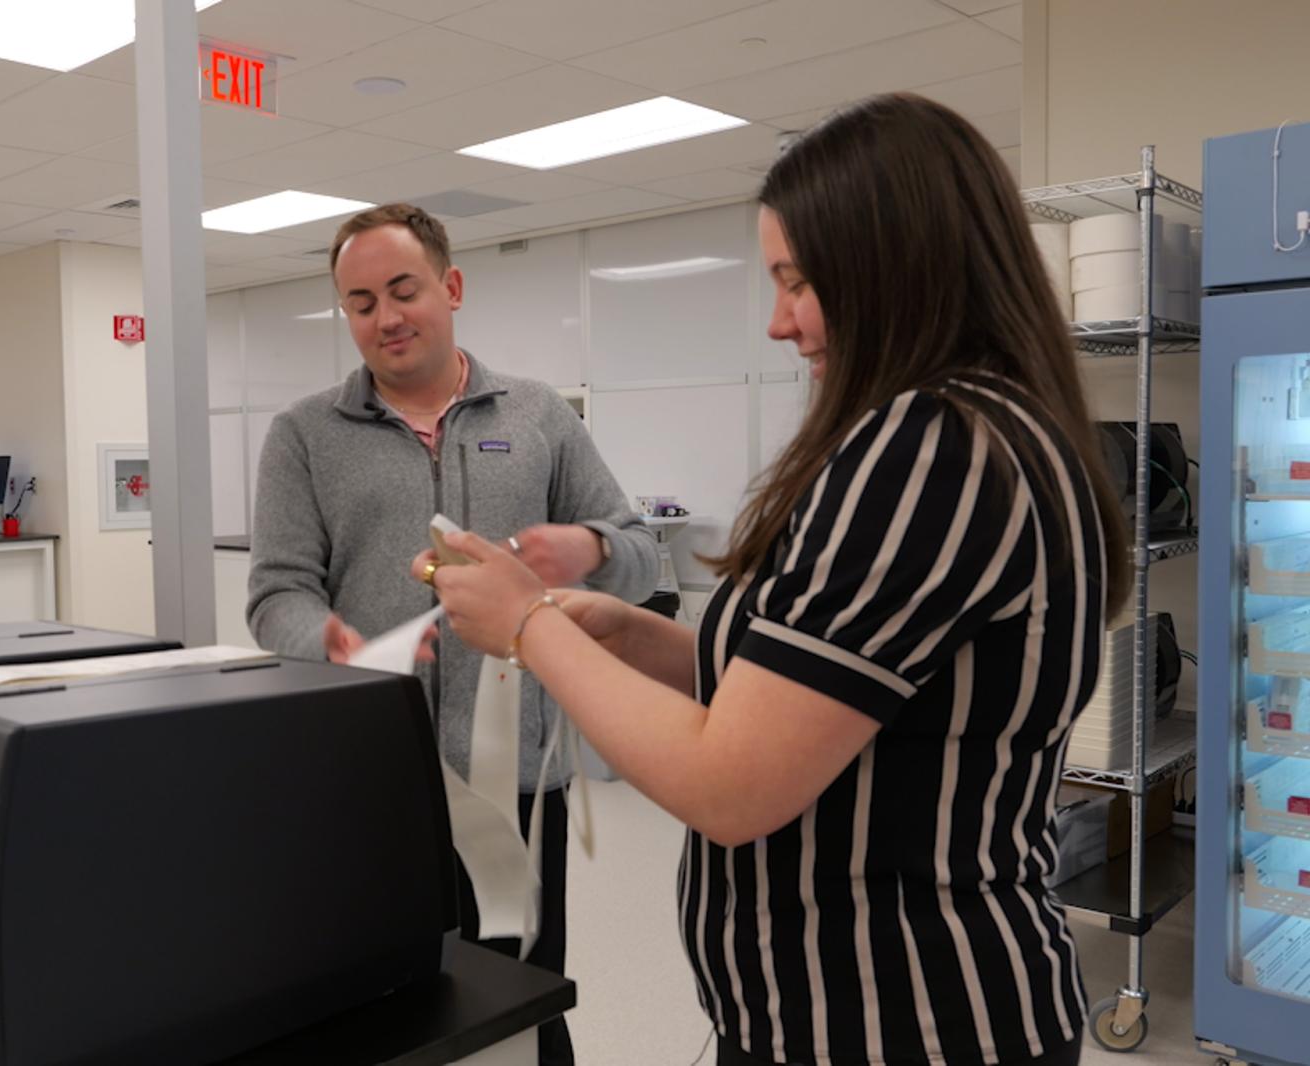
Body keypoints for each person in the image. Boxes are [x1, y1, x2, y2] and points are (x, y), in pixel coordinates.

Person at [415, 93, 1130, 1066]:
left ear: (892, 268)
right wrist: (634, 639)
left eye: (798, 281)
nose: (778, 323)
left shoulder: (929, 450)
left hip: (900, 1026)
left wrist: (525, 627)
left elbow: (732, 782)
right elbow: (834, 687)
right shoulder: (997, 432)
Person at [247, 203, 659, 1065]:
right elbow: (275, 591)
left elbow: (641, 556)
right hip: (373, 786)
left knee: (524, 1000)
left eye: (404, 290)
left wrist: (585, 545)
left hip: (517, 783)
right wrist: (325, 640)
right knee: (389, 1011)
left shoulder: (540, 415)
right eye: (360, 302)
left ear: (451, 287)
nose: (386, 317)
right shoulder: (303, 437)